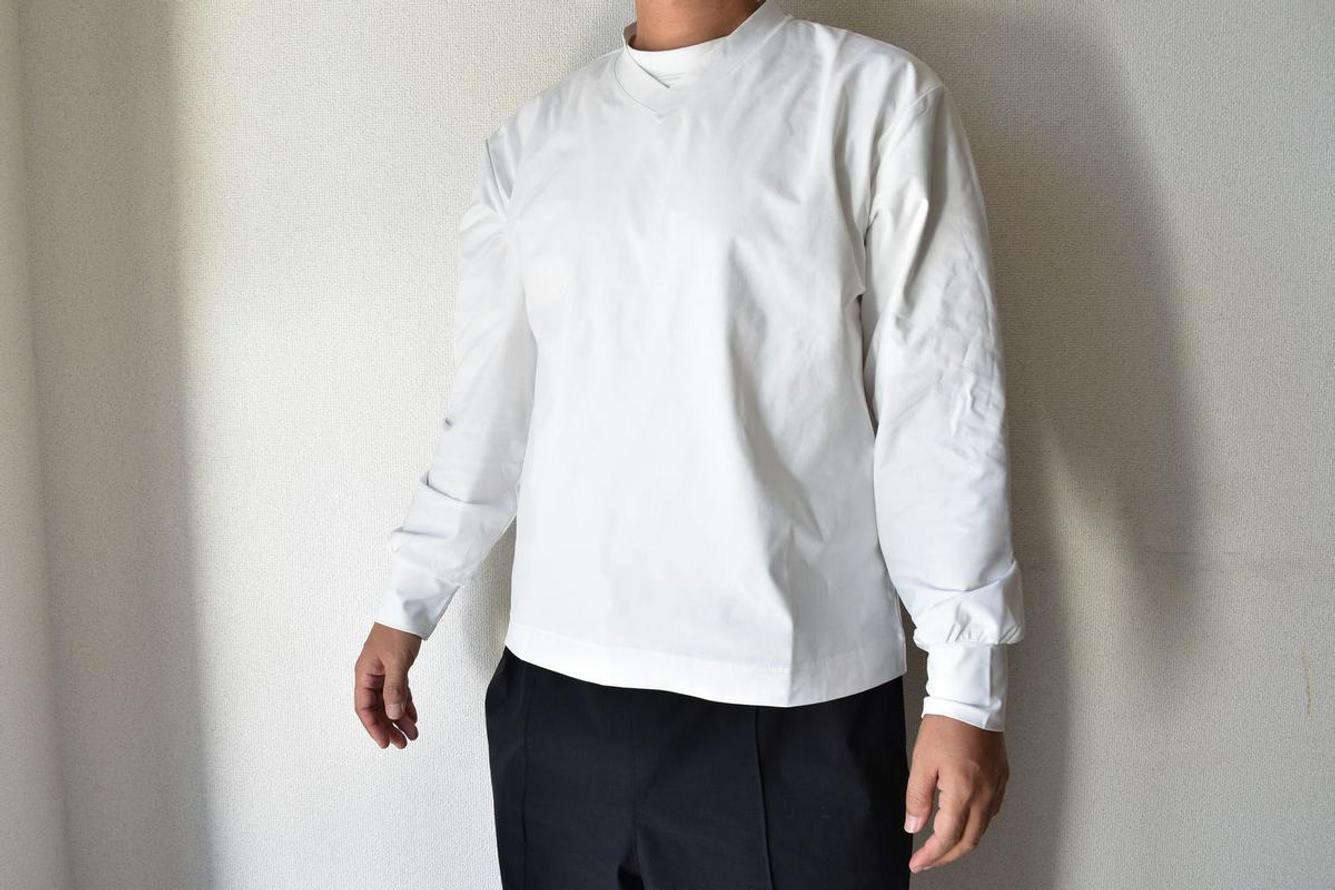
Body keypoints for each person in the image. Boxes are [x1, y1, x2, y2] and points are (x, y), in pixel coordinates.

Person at [354, 1, 1024, 886]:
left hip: (790, 695)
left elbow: (941, 402)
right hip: (556, 694)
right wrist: (408, 602)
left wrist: (966, 684)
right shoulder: (531, 142)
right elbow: (490, 411)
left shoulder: (874, 99)